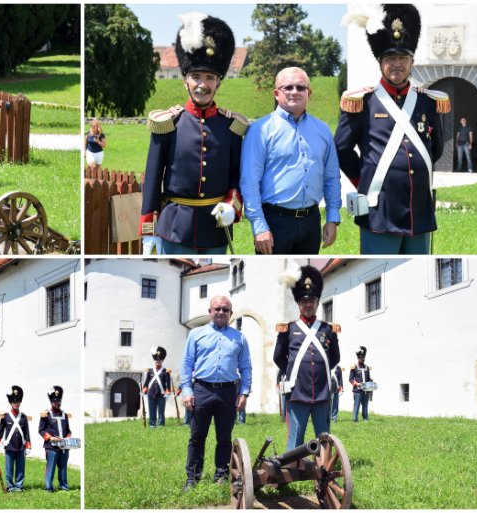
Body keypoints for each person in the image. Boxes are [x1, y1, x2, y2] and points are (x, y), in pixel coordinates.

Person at [337, 4, 449, 254]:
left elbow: (436, 148)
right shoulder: (362, 102)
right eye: (390, 59)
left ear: (412, 61)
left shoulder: (427, 102)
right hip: (379, 211)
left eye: (402, 58)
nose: (396, 64)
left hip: (420, 212)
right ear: (380, 62)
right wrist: (366, 182)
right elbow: (341, 149)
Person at [138, 13, 247, 255]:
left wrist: (232, 206)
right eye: (196, 76)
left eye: (210, 77)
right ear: (185, 80)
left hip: (216, 228)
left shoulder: (231, 127)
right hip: (174, 228)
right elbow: (153, 180)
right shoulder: (167, 123)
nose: (203, 84)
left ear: (218, 83)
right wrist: (149, 231)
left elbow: (237, 177)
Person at [241, 67, 341, 255]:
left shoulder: (323, 130)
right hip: (275, 223)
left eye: (301, 87)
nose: (295, 92)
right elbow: (250, 181)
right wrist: (259, 225)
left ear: (309, 93)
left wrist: (332, 218)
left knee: (303, 278)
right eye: (288, 87)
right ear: (276, 93)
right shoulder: (260, 130)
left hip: (311, 221)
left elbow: (331, 178)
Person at [180, 295, 251, 491]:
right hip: (201, 390)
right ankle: (192, 478)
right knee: (196, 437)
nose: (221, 312)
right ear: (210, 311)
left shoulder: (239, 338)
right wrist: (187, 391)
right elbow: (186, 364)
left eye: (225, 310)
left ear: (230, 313)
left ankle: (221, 475)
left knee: (224, 437)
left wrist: (244, 393)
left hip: (228, 392)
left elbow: (246, 367)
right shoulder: (195, 334)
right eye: (217, 308)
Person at [274, 265, 340, 450]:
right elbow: (279, 357)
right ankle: (294, 469)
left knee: (324, 437)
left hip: (322, 392)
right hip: (297, 392)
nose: (308, 304)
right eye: (304, 301)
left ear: (318, 303)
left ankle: (322, 469)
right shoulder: (289, 329)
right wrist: (295, 372)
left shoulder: (328, 329)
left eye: (312, 300)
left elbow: (334, 358)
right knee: (296, 436)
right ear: (298, 304)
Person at [0, 385, 31, 492]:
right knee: (9, 468)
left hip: (21, 447)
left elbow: (27, 432)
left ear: (20, 402)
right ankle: (10, 486)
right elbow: (0, 431)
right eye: (14, 402)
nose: (16, 403)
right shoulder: (5, 416)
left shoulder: (23, 417)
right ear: (11, 402)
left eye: (18, 401)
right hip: (9, 446)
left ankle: (19, 486)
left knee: (20, 468)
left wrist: (28, 446)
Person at [39, 385, 72, 492]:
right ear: (51, 402)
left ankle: (63, 486)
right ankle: (48, 487)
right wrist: (50, 438)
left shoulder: (65, 415)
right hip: (51, 447)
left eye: (59, 401)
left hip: (64, 446)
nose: (57, 403)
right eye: (55, 401)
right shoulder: (46, 414)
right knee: (51, 468)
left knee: (63, 468)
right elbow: (41, 430)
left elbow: (68, 431)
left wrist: (67, 438)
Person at [143, 346, 171, 428]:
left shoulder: (166, 371)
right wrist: (145, 389)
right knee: (152, 410)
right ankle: (152, 424)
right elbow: (146, 382)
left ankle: (161, 424)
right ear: (154, 361)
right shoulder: (150, 371)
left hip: (161, 394)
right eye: (156, 360)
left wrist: (168, 392)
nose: (158, 362)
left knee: (161, 411)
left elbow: (168, 384)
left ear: (162, 361)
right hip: (151, 393)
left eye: (159, 360)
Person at [350, 346, 373, 422]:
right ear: (358, 358)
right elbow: (350, 379)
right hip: (357, 390)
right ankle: (355, 419)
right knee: (356, 405)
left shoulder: (367, 367)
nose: (362, 359)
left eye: (363, 358)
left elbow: (369, 378)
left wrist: (371, 384)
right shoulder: (354, 367)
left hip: (366, 390)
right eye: (361, 358)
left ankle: (365, 418)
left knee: (365, 405)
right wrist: (356, 384)